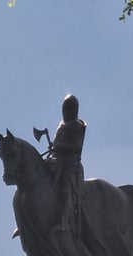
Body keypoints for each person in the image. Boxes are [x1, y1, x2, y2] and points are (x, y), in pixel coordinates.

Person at [51, 94, 86, 233]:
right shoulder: (62, 125)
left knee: (65, 188)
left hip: (70, 165)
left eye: (69, 108)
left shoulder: (76, 126)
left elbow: (77, 147)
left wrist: (61, 146)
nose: (66, 111)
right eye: (64, 108)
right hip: (56, 161)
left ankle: (64, 222)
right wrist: (54, 147)